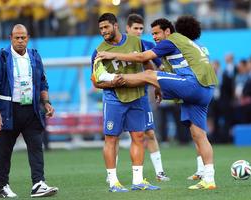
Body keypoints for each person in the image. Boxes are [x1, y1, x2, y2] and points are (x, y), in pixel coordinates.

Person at [95, 16, 218, 190]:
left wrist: (112, 55)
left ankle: (110, 77)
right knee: (199, 134)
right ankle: (209, 179)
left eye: (157, 33)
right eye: (151, 33)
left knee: (149, 75)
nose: (154, 37)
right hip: (207, 89)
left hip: (192, 84)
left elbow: (145, 57)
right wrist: (159, 87)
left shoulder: (172, 40)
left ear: (168, 31)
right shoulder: (188, 44)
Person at [0, 24, 58, 198]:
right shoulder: (1, 58)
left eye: (23, 37)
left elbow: (42, 82)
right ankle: (2, 186)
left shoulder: (34, 56)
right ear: (10, 37)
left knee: (36, 147)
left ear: (28, 38)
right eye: (16, 37)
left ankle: (38, 183)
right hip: (9, 111)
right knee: (5, 149)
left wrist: (46, 102)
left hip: (31, 109)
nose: (20, 40)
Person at [91, 13, 160, 192]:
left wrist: (156, 84)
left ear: (116, 25)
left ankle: (138, 180)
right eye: (100, 29)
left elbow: (147, 64)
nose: (103, 31)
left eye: (106, 27)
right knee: (111, 138)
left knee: (138, 136)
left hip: (137, 96)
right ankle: (113, 182)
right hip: (114, 98)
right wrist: (111, 82)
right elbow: (96, 81)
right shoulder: (99, 51)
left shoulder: (135, 42)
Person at [107, 13, 169, 182]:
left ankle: (160, 172)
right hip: (118, 96)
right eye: (136, 28)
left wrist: (158, 86)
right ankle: (111, 175)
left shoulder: (147, 45)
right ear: (127, 28)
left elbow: (158, 66)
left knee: (148, 132)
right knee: (114, 135)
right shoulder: (114, 45)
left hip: (140, 96)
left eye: (142, 28)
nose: (139, 31)